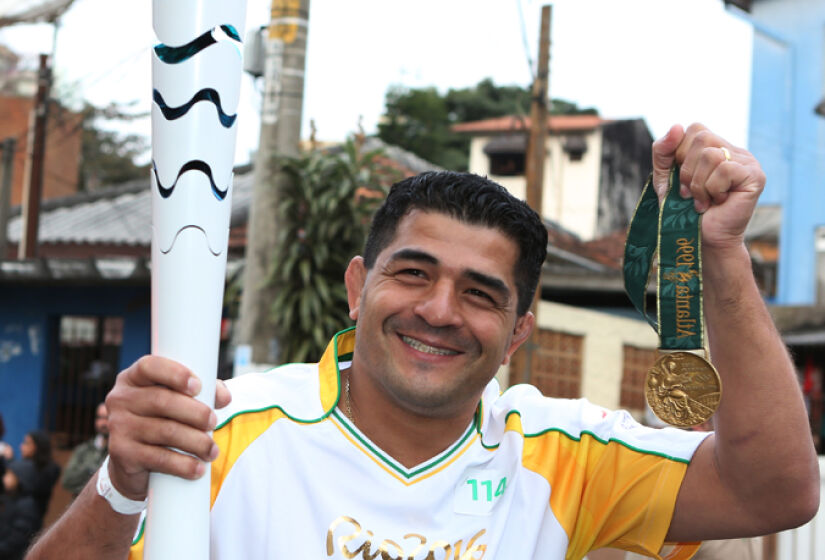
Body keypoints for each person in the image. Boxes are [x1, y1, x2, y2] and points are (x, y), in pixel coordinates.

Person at [28, 124, 819, 559]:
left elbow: (774, 491)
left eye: (480, 294)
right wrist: (123, 483)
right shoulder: (224, 434)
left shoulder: (557, 454)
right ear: (355, 288)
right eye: (413, 274)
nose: (440, 311)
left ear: (516, 337)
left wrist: (717, 253)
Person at [61, 403, 109, 497]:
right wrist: (89, 471)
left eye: (107, 418)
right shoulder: (83, 450)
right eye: (100, 418)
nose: (103, 423)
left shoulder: (118, 453)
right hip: (81, 505)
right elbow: (67, 481)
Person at [0, 461, 43, 560]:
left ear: (20, 478)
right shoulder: (8, 497)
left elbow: (17, 538)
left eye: (9, 474)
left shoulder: (27, 505)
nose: (5, 478)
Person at [18, 430, 60, 521]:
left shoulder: (49, 469)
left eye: (27, 443)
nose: (21, 447)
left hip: (30, 519)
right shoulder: (26, 464)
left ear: (37, 446)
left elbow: (30, 487)